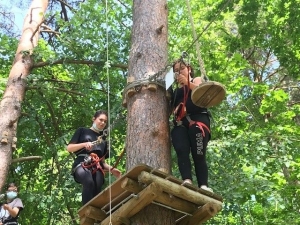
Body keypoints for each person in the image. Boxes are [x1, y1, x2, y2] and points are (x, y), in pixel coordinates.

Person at [169, 59, 213, 192]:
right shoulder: (176, 91)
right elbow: (170, 109)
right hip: (181, 123)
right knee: (181, 150)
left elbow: (202, 92)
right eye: (176, 70)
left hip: (198, 120)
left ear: (189, 69)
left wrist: (187, 83)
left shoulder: (196, 80)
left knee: (198, 154)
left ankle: (203, 185)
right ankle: (187, 179)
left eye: (182, 68)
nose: (179, 71)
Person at [67, 110, 122, 205]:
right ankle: (86, 212)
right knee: (88, 182)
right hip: (82, 163)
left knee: (97, 188)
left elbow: (103, 163)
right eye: (101, 120)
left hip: (97, 167)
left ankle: (96, 215)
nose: (103, 123)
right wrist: (84, 144)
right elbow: (69, 148)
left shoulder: (103, 141)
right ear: (94, 119)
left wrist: (112, 170)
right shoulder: (82, 131)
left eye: (105, 121)